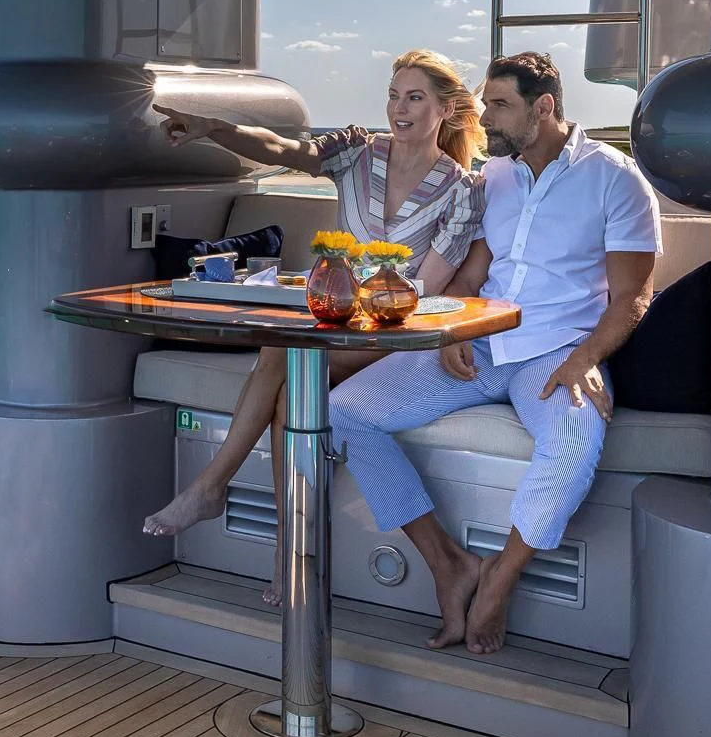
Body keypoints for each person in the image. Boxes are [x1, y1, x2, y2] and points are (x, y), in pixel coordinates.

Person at [328, 51, 659, 654]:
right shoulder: (495, 176)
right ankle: (448, 564)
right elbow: (474, 274)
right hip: (480, 344)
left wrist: (585, 361)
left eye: (500, 106)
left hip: (558, 353)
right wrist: (457, 330)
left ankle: (500, 579)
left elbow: (633, 295)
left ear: (546, 107)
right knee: (346, 409)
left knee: (576, 438)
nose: (487, 118)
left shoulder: (616, 178)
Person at [143, 50, 488, 603]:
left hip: (397, 332)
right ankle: (288, 547)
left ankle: (215, 490)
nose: (398, 108)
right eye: (394, 94)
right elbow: (283, 149)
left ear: (447, 109)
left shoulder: (463, 190)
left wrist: (360, 296)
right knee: (288, 393)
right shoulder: (356, 152)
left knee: (284, 349)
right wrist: (212, 127)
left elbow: (427, 287)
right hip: (335, 318)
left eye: (414, 97)